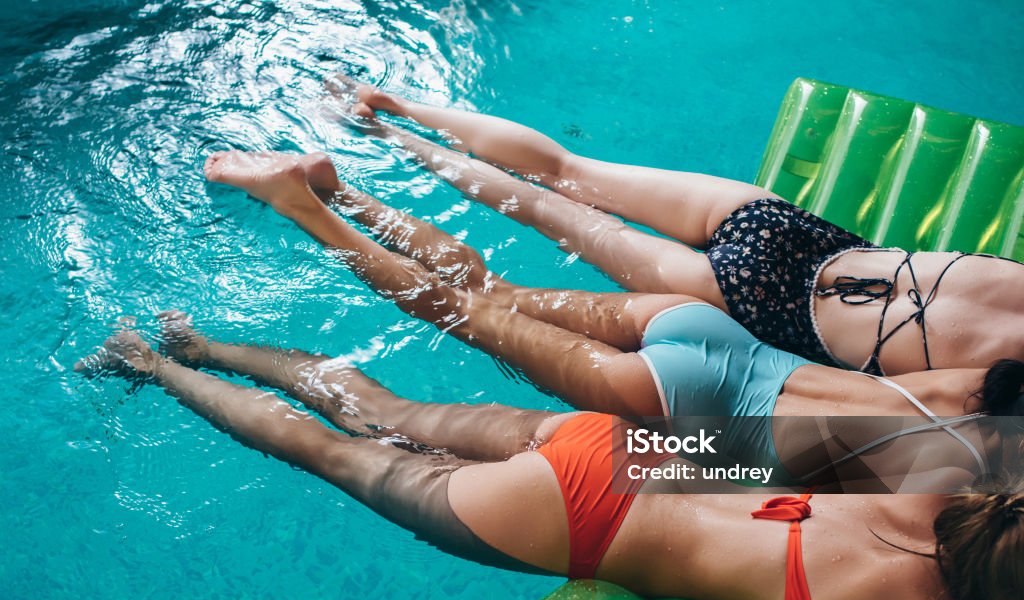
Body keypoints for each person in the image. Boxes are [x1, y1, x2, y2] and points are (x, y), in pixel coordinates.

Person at [77, 319, 1024, 600]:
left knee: (382, 408)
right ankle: (152, 371)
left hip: (640, 454)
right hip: (590, 520)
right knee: (335, 457)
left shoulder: (943, 497)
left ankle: (187, 345)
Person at [201, 150, 1020, 488]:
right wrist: (688, 467)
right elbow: (795, 478)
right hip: (689, 401)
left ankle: (339, 189)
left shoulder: (991, 380)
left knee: (492, 289)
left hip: (706, 331)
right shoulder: (977, 480)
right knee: (461, 312)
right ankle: (306, 208)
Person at [322, 74, 1024, 377]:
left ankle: (393, 111)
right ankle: (402, 146)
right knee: (541, 208)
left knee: (566, 168)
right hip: (764, 302)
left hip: (796, 234)